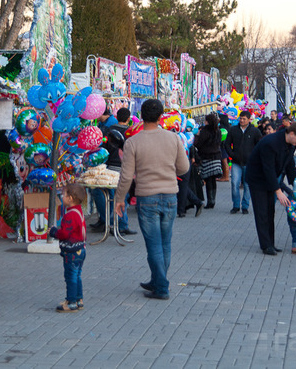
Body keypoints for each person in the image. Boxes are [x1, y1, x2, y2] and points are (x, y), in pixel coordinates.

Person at [115, 99, 189, 300]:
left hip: (147, 197)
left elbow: (126, 175)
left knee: (154, 244)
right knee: (165, 242)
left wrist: (119, 199)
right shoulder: (173, 139)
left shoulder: (133, 142)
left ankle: (161, 286)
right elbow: (184, 168)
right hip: (170, 195)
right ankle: (158, 280)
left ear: (140, 117)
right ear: (160, 117)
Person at [245, 122, 296, 255]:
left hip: (270, 179)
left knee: (270, 211)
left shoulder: (290, 144)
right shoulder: (271, 143)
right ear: (291, 134)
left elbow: (289, 164)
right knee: (262, 212)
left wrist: (295, 183)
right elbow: (268, 169)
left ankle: (271, 243)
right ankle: (265, 246)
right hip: (258, 179)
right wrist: (278, 191)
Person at [89, 108, 136, 234]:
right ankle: (121, 225)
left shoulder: (109, 131)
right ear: (128, 119)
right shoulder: (130, 133)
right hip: (124, 169)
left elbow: (103, 149)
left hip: (110, 168)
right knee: (123, 198)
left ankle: (110, 223)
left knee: (111, 197)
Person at [48, 183, 88, 312]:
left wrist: (54, 232)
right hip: (80, 249)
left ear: (70, 198)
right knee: (77, 275)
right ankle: (78, 299)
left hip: (71, 252)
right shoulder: (78, 211)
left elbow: (64, 233)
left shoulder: (69, 215)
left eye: (63, 194)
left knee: (70, 276)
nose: (62, 196)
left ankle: (71, 302)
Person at [225, 110, 262, 214]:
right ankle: (236, 205)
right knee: (234, 183)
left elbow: (259, 145)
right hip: (236, 162)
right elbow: (227, 144)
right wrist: (232, 155)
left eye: (244, 119)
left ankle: (245, 206)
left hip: (249, 163)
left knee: (247, 185)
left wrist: (255, 158)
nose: (241, 120)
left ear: (249, 119)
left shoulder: (254, 131)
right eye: (240, 118)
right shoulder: (233, 130)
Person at [194, 113, 222, 209]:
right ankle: (213, 199)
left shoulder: (205, 131)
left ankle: (210, 201)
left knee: (208, 179)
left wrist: (197, 136)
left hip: (206, 157)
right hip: (216, 157)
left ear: (207, 121)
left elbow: (199, 144)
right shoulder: (217, 131)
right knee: (213, 179)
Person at [217, 114, 230, 182]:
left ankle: (225, 176)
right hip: (226, 146)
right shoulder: (228, 127)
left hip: (222, 146)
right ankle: (225, 176)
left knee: (224, 161)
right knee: (224, 161)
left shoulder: (221, 127)